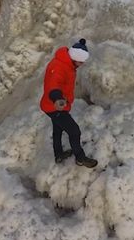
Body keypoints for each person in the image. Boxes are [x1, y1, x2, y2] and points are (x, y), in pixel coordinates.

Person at [40, 39, 98, 168]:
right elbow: (53, 85)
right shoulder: (59, 67)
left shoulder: (67, 62)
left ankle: (59, 155)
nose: (82, 64)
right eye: (81, 61)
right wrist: (57, 98)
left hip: (58, 104)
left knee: (58, 129)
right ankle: (80, 158)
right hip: (54, 106)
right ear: (75, 57)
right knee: (74, 131)